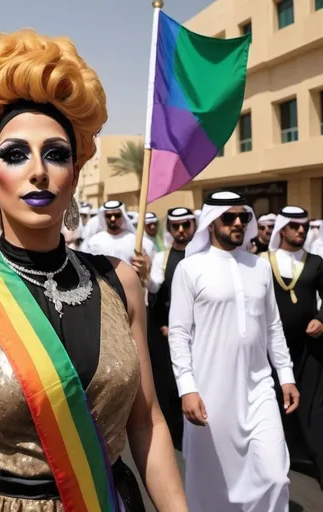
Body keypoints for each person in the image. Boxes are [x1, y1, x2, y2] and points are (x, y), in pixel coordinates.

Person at [0, 29, 188, 512]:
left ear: (74, 172)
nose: (38, 171)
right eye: (15, 154)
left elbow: (147, 422)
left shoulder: (120, 281)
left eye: (56, 153)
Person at [169, 191, 299, 512]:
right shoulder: (191, 269)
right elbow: (179, 333)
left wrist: (286, 376)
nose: (239, 222)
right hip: (211, 391)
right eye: (230, 217)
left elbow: (273, 327)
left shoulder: (259, 267)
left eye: (244, 216)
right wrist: (187, 388)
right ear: (212, 222)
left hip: (259, 389)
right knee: (214, 481)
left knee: (275, 477)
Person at [263, 207, 323, 488]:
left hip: (311, 350)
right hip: (271, 351)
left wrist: (322, 320)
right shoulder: (263, 262)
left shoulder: (316, 263)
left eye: (305, 226)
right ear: (282, 229)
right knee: (274, 407)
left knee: (314, 407)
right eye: (295, 226)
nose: (301, 231)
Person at [146, 207, 196, 450]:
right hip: (167, 330)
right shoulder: (162, 257)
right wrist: (145, 276)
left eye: (186, 225)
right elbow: (155, 288)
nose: (181, 230)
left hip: (200, 333)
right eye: (176, 226)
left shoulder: (202, 255)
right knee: (169, 382)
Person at [82, 200, 154, 282]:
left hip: (128, 286)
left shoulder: (134, 240)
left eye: (117, 215)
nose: (113, 219)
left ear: (122, 216)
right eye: (109, 216)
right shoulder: (94, 241)